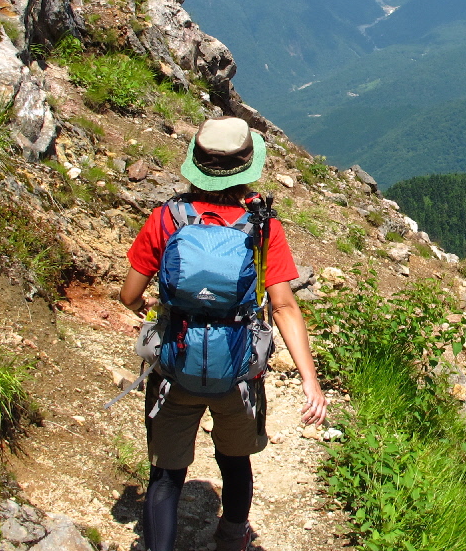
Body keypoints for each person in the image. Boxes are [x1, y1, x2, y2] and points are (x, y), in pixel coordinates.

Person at [121, 116, 327, 551]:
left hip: (175, 365)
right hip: (238, 372)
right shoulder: (262, 226)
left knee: (165, 476)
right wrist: (310, 381)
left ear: (195, 164)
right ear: (247, 167)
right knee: (235, 462)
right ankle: (233, 537)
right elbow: (284, 306)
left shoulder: (166, 218)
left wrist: (154, 311)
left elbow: (128, 294)